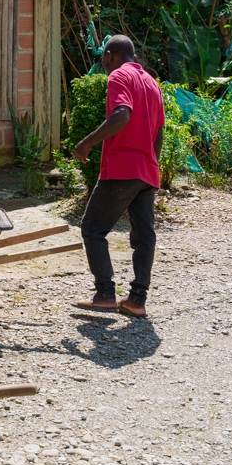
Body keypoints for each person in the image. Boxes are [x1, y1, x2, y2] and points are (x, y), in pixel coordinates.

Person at [71, 35, 165, 318]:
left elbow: (122, 115)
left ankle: (105, 294)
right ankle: (137, 300)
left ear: (111, 55)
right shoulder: (151, 82)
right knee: (144, 237)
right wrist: (152, 166)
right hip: (146, 170)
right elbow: (159, 133)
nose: (103, 64)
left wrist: (86, 143)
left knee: (92, 228)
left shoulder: (118, 77)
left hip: (123, 167)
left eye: (103, 58)